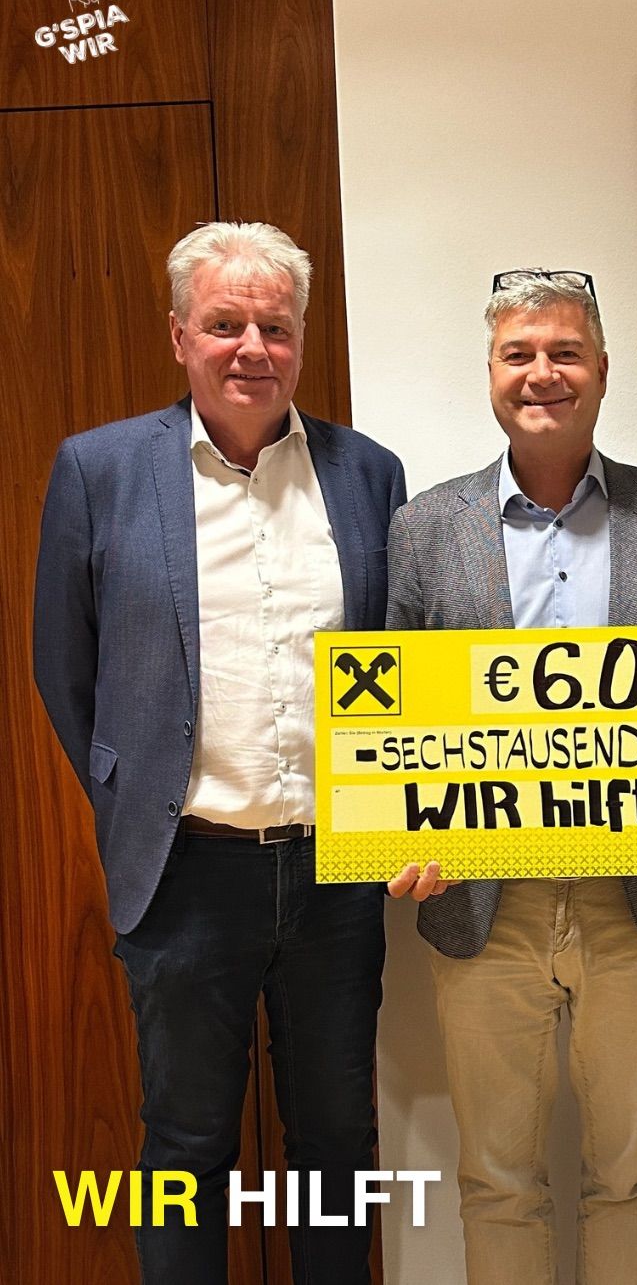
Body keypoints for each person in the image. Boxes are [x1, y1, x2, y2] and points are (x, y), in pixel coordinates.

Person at [33, 221, 405, 1285]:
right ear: (179, 336)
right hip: (185, 874)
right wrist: (133, 800)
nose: (252, 347)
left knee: (336, 1146)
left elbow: (399, 655)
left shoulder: (368, 474)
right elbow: (65, 668)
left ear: (302, 338)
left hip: (336, 875)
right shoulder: (100, 469)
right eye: (225, 324)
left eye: (274, 327)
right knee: (185, 1150)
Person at [385, 269, 637, 1285]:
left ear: (602, 370)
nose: (543, 373)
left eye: (565, 352)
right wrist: (403, 836)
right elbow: (395, 715)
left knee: (631, 1174)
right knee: (497, 1178)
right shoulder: (424, 527)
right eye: (519, 354)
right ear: (490, 372)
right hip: (484, 900)